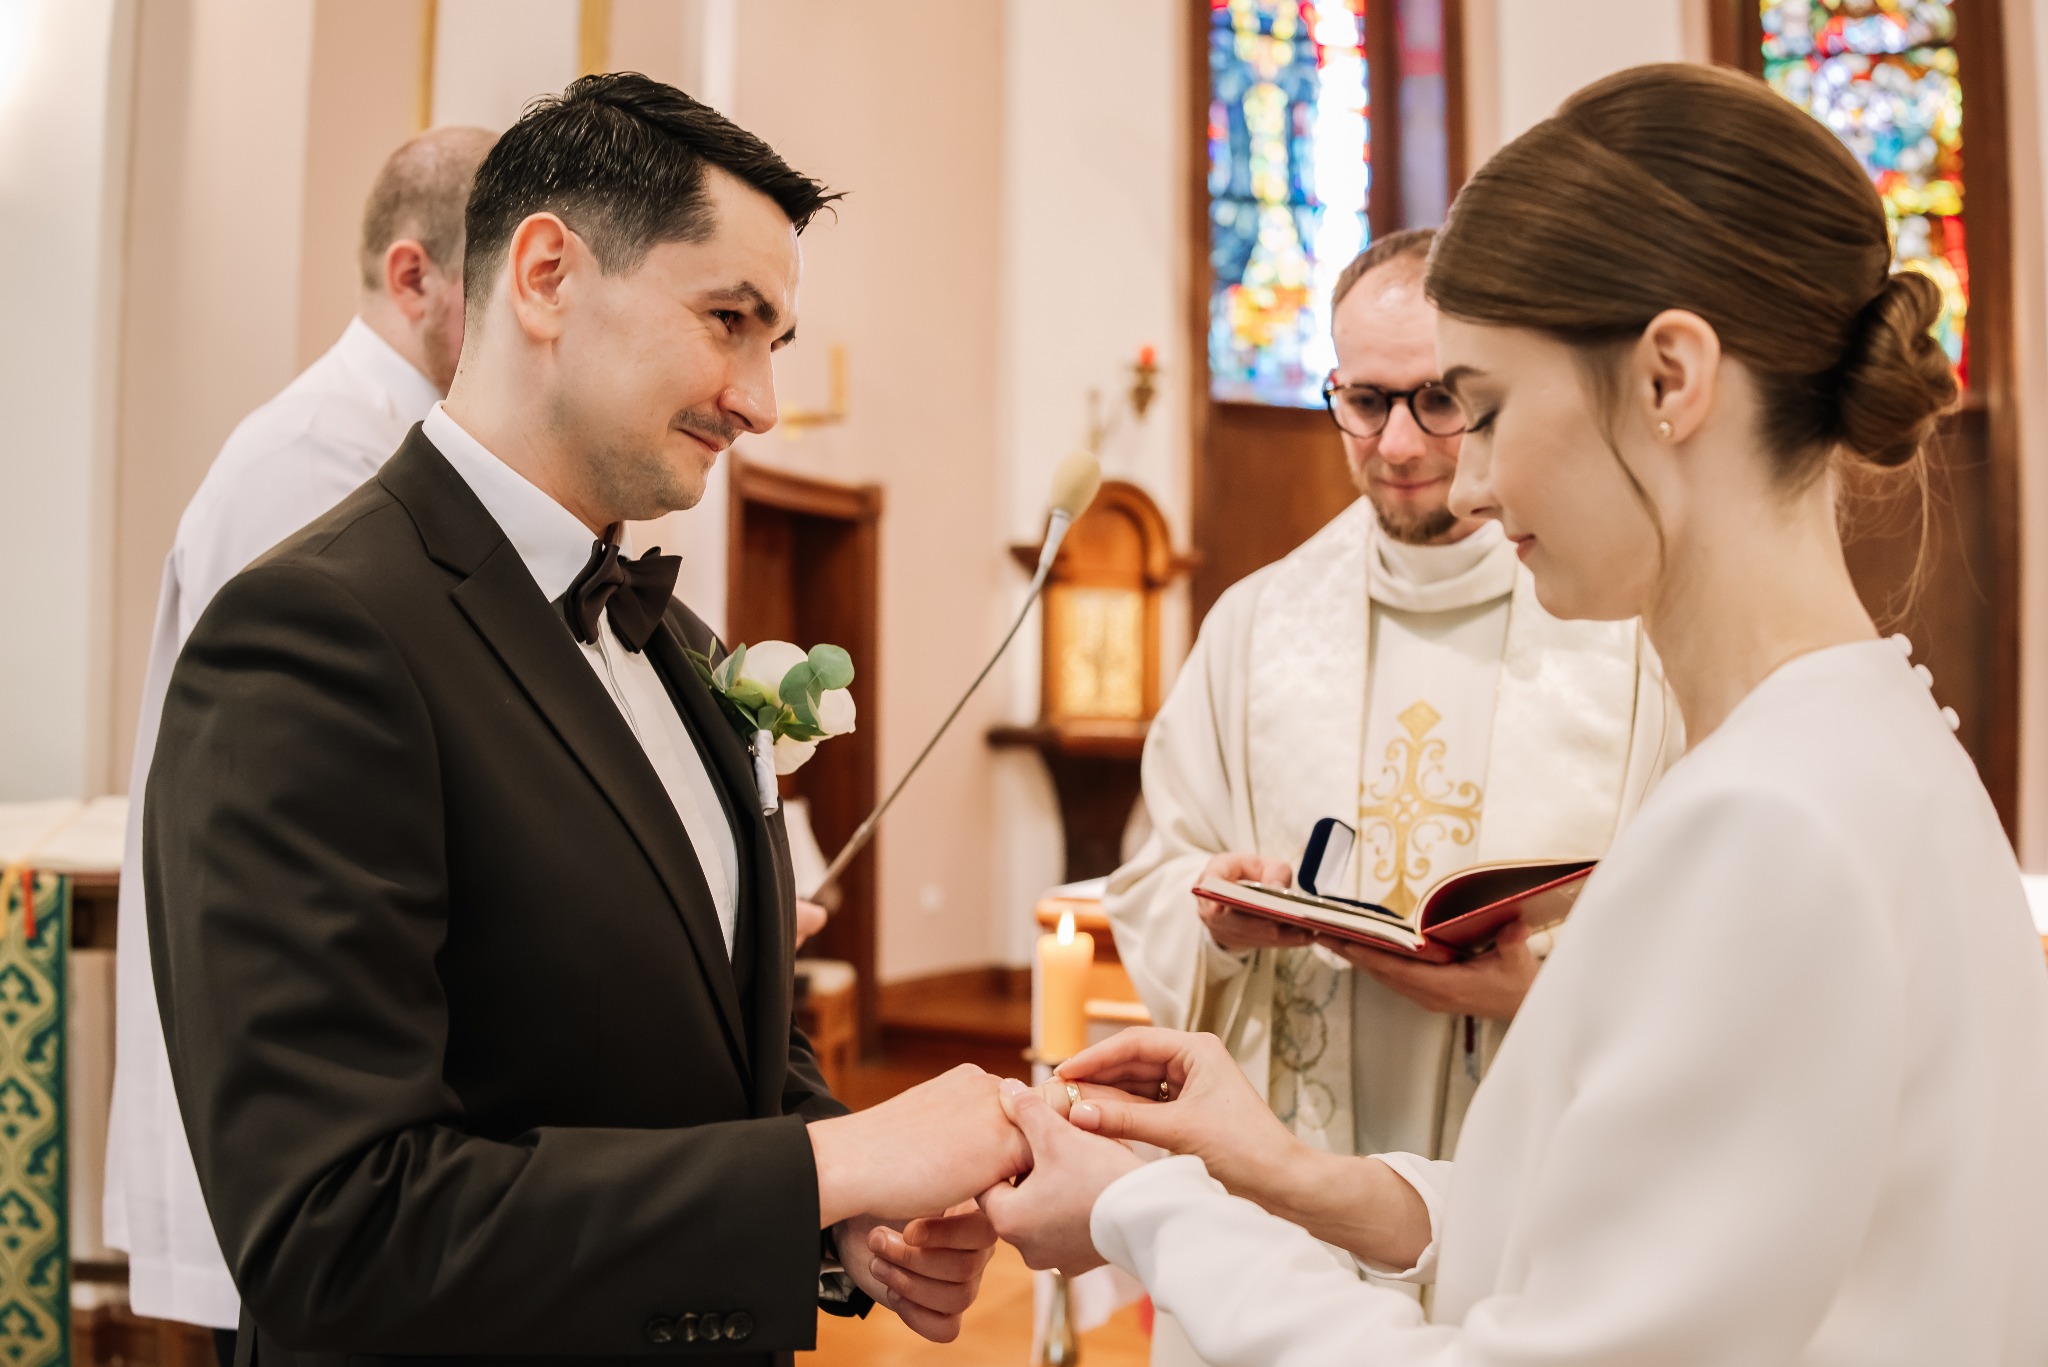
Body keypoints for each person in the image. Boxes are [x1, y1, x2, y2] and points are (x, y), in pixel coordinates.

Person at [983, 63, 2048, 1363]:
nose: (1464, 477)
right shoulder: (1874, 745)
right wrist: (1273, 1165)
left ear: (1669, 378)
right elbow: (1587, 1233)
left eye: (1477, 402)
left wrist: (1152, 1207)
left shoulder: (1765, 827)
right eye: (1385, 403)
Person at [143, 75, 1026, 1365]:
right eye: (729, 318)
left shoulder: (679, 644)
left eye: (773, 340)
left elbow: (725, 1034)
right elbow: (338, 1229)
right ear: (547, 274)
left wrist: (847, 1215)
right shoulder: (315, 635)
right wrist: (822, 1162)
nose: (759, 399)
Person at [1104, 228, 1678, 1355]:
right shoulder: (1256, 625)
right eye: (1363, 401)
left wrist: (1534, 987)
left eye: (1436, 400)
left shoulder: (1622, 629)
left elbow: (1696, 920)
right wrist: (1214, 916)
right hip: (1288, 1180)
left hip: (1530, 1166)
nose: (1399, 443)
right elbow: (1156, 865)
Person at [107, 123, 494, 1352]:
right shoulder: (306, 462)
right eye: (498, 280)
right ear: (411, 275)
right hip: (302, 1095)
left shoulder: (424, 449)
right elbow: (289, 811)